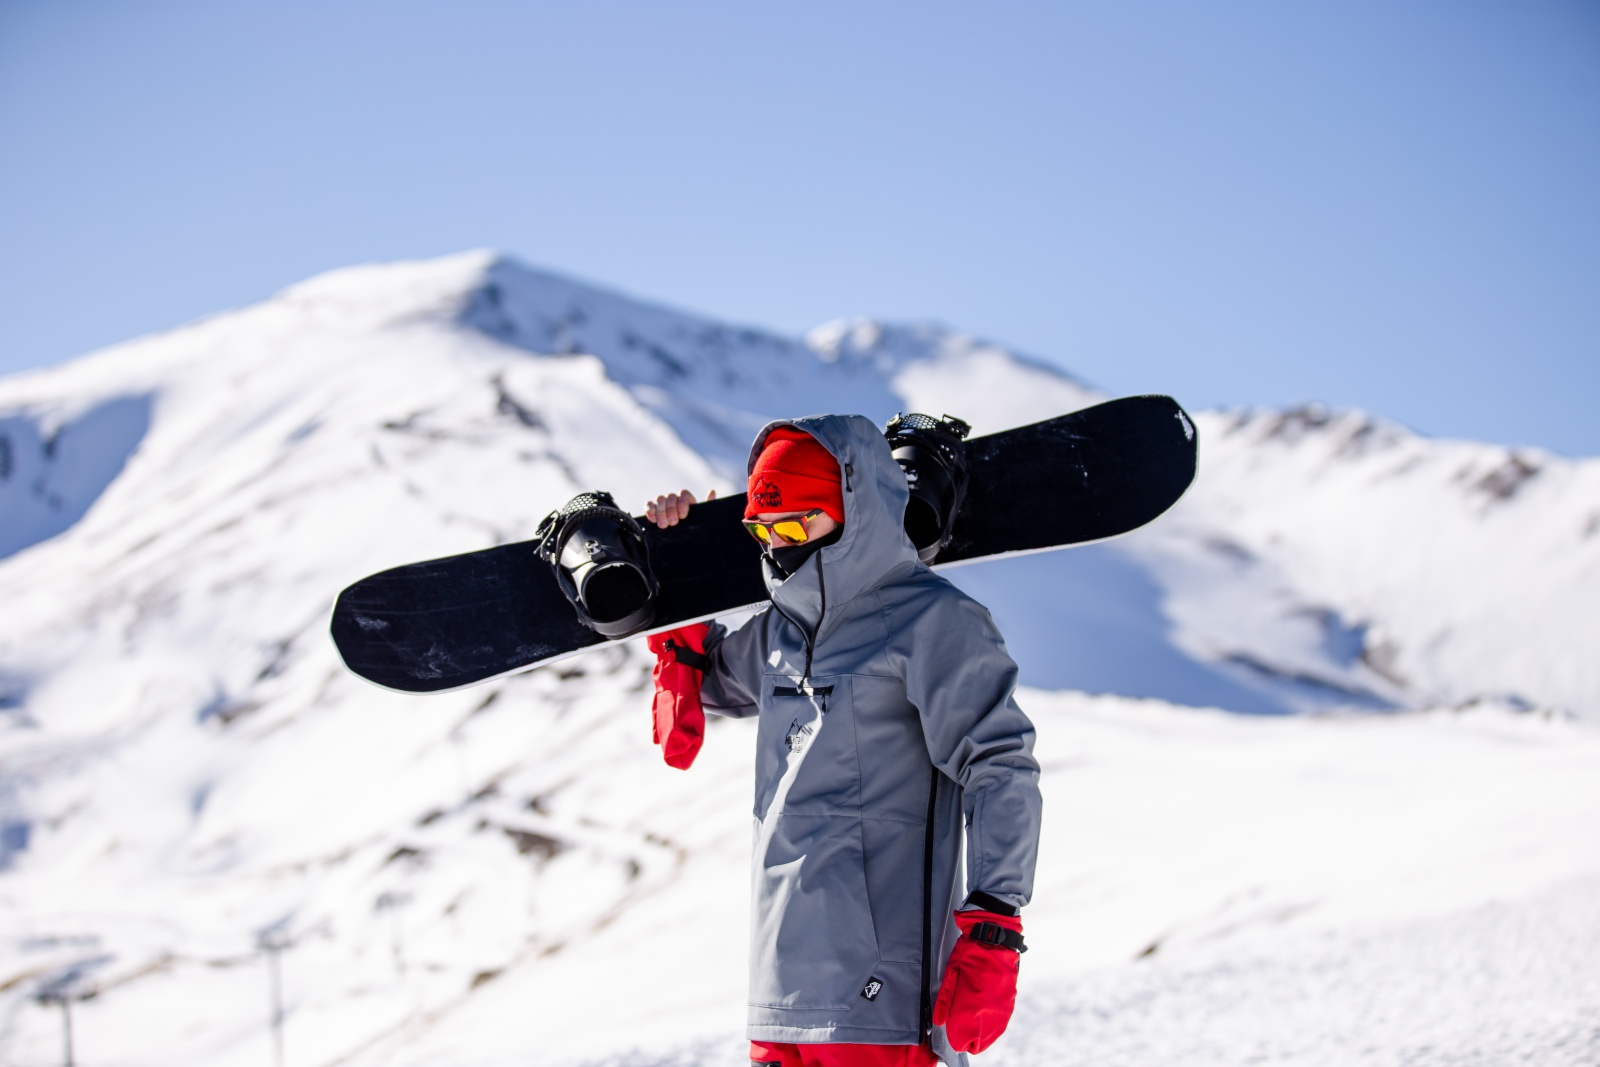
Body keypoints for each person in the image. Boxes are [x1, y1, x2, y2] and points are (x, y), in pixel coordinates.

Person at [645, 415, 1041, 1067]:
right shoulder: (780, 631)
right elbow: (708, 681)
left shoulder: (932, 621)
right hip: (780, 997)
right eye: (762, 531)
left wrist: (995, 922)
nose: (778, 547)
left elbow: (1001, 767)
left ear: (852, 510)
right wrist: (678, 560)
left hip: (883, 1004)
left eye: (795, 526)